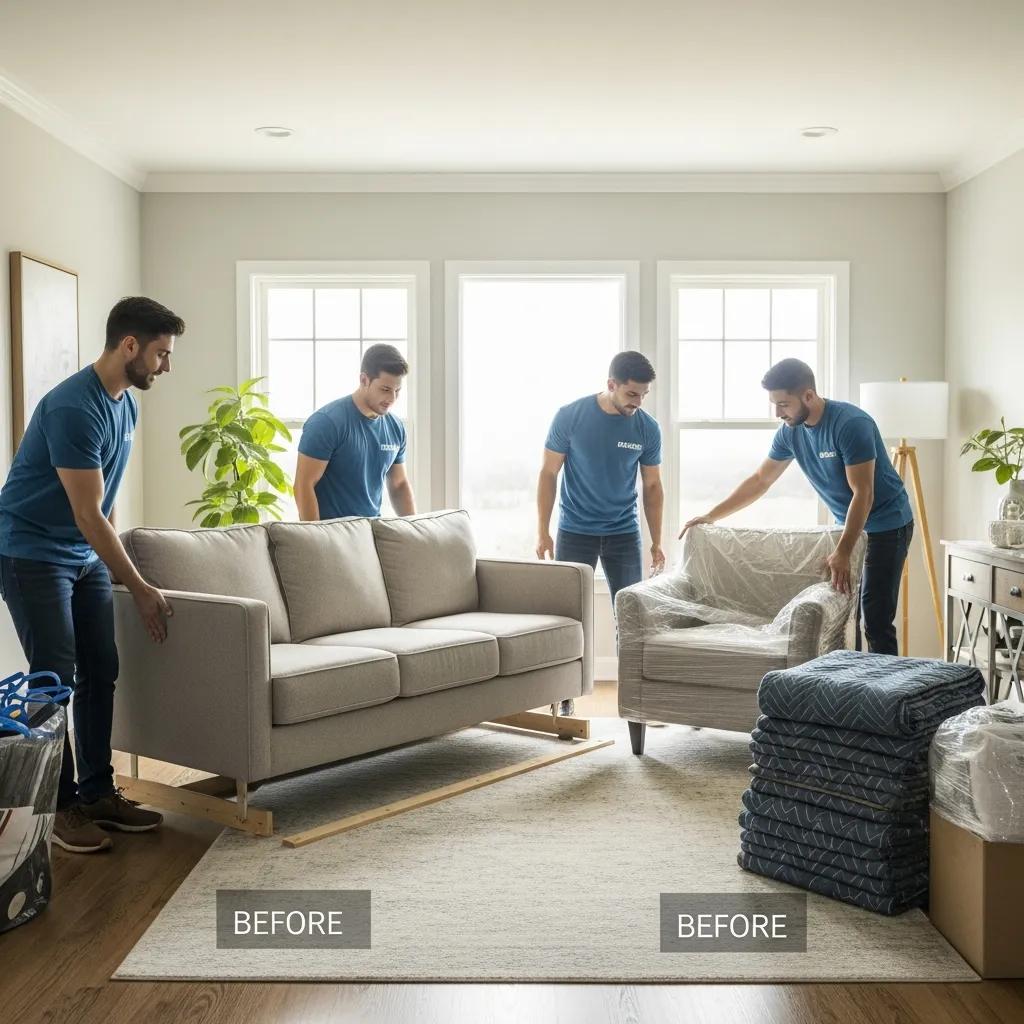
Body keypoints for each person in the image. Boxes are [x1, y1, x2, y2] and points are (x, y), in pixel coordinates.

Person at [0, 296, 185, 853]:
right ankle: (55, 809)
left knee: (101, 666)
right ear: (129, 346)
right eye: (161, 354)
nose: (166, 365)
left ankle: (98, 792)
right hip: (31, 551)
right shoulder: (72, 409)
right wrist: (139, 585)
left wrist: (113, 566)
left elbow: (104, 505)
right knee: (54, 674)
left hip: (81, 554)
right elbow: (87, 512)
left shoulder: (124, 404)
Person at [680, 357, 914, 656]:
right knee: (848, 612)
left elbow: (863, 493)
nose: (778, 413)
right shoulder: (790, 432)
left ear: (809, 395)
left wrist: (843, 551)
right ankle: (857, 681)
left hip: (887, 523)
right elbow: (761, 480)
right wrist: (711, 515)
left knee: (875, 618)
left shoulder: (851, 425)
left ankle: (888, 684)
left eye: (783, 404)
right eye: (774, 405)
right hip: (848, 524)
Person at [537, 351, 665, 714]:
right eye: (631, 394)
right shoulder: (571, 416)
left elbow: (652, 486)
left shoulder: (647, 428)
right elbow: (548, 473)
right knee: (570, 616)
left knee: (629, 615)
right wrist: (542, 530)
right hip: (575, 530)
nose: (638, 402)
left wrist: (656, 541)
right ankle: (564, 698)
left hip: (624, 533)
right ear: (611, 384)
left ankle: (636, 698)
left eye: (643, 395)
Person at [294, 343, 416, 520]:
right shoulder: (327, 422)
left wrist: (414, 528)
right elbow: (303, 485)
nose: (392, 398)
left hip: (371, 529)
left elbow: (399, 485)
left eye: (397, 391)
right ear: (364, 380)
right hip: (331, 530)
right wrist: (315, 534)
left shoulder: (395, 428)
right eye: (385, 389)